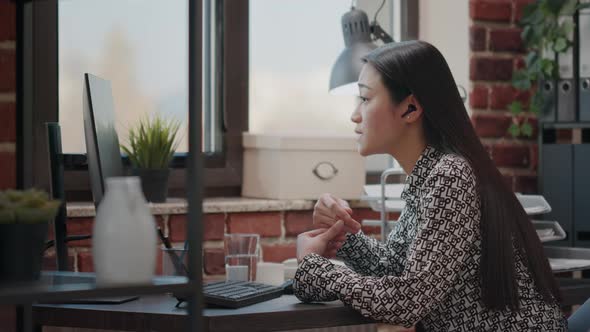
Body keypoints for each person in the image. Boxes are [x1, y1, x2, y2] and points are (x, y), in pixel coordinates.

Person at [293, 41, 566, 331]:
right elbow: (397, 268)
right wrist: (342, 235)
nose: (355, 114)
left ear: (410, 108)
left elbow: (408, 300)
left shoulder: (450, 175)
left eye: (365, 99)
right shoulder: (429, 175)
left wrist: (313, 267)